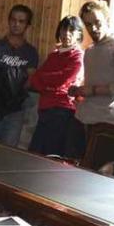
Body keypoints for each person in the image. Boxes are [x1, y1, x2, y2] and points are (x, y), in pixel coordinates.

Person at [66, 0, 114, 159]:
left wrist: (92, 90)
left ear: (107, 19)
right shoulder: (90, 50)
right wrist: (79, 90)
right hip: (81, 118)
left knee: (96, 175)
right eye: (88, 24)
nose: (93, 28)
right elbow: (94, 82)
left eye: (97, 22)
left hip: (105, 124)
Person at [0, 4, 39, 147]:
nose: (16, 24)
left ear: (27, 25)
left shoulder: (30, 52)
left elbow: (29, 82)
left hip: (16, 109)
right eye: (13, 20)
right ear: (9, 21)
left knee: (9, 151)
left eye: (21, 21)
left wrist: (4, 78)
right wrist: (13, 80)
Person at [28, 15, 84, 156]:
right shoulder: (54, 55)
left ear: (79, 34)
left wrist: (45, 79)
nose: (66, 34)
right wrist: (47, 84)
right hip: (45, 107)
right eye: (63, 30)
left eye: (72, 30)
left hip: (62, 109)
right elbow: (35, 79)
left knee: (51, 154)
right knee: (35, 153)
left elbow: (63, 79)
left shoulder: (77, 55)